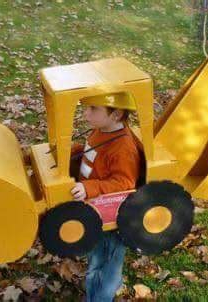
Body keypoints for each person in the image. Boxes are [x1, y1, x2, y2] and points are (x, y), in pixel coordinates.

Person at [70, 92, 142, 302]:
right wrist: (70, 152)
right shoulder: (101, 130)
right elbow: (90, 151)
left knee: (103, 262)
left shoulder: (123, 148)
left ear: (117, 114)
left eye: (93, 109)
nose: (86, 114)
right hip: (94, 208)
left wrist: (90, 187)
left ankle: (100, 297)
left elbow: (124, 183)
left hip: (110, 217)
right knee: (96, 255)